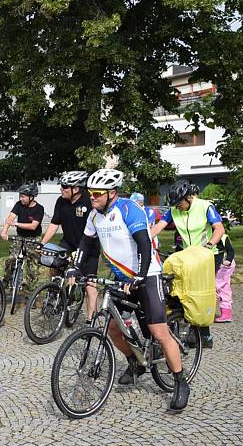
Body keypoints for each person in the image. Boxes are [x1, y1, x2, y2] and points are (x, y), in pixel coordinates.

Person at [69, 168, 189, 412]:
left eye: (97, 193)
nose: (91, 197)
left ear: (112, 193)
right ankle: (135, 361)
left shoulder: (128, 209)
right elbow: (85, 243)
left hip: (148, 273)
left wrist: (140, 275)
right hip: (122, 276)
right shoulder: (94, 216)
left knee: (158, 331)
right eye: (90, 193)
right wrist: (74, 268)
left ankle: (180, 380)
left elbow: (144, 244)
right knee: (113, 328)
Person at [150, 179, 225, 348]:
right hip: (189, 256)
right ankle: (185, 326)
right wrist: (143, 239)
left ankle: (205, 336)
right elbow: (157, 228)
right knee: (181, 289)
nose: (178, 207)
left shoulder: (205, 206)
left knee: (200, 292)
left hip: (209, 254)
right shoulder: (174, 210)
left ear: (189, 198)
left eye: (180, 203)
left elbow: (219, 229)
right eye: (175, 204)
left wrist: (208, 246)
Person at [40, 171, 99, 323]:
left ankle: (90, 321)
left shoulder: (89, 202)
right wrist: (43, 242)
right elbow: (54, 224)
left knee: (90, 284)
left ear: (77, 189)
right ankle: (54, 293)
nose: (61, 189)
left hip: (89, 247)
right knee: (52, 261)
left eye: (65, 186)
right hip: (68, 242)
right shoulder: (61, 201)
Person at [0, 183, 44, 292]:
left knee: (33, 267)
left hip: (34, 239)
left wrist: (16, 224)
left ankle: (29, 292)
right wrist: (4, 231)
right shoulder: (19, 205)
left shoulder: (39, 209)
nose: (21, 198)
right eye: (20, 196)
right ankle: (7, 280)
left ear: (31, 197)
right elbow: (10, 217)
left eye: (23, 196)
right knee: (11, 259)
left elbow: (33, 226)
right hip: (19, 237)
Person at [214, 232, 235, 323]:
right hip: (217, 264)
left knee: (216, 286)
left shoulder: (223, 236)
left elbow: (231, 251)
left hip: (224, 266)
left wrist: (228, 260)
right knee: (224, 287)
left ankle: (207, 311)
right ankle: (226, 314)